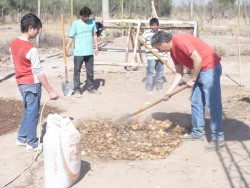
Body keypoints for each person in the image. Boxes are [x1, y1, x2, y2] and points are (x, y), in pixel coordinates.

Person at [151, 30, 224, 151]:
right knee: (196, 102)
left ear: (163, 42)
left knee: (213, 104)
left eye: (158, 47)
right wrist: (169, 91)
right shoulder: (173, 52)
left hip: (210, 68)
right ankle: (198, 133)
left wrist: (193, 79)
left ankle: (218, 138)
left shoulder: (180, 40)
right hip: (200, 70)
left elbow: (197, 59)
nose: (158, 50)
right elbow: (179, 72)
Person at [9, 13, 59, 151]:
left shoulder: (12, 44)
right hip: (32, 84)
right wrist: (51, 91)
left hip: (21, 83)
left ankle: (21, 138)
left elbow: (13, 62)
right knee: (33, 114)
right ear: (31, 28)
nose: (38, 33)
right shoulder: (31, 49)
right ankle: (31, 142)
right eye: (37, 30)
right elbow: (39, 72)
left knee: (28, 111)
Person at [66, 6, 99, 96]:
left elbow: (95, 35)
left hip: (89, 52)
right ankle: (77, 89)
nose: (87, 18)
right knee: (77, 70)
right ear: (81, 15)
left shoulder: (92, 22)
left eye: (88, 16)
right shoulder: (75, 24)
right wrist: (66, 48)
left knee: (90, 71)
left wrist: (97, 47)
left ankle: (90, 87)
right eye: (85, 16)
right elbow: (71, 37)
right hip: (79, 52)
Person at [139, 18, 168, 95]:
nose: (153, 27)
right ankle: (148, 88)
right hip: (150, 56)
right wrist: (141, 42)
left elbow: (165, 46)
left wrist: (165, 58)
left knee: (160, 73)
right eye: (152, 25)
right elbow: (142, 43)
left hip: (160, 56)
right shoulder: (146, 33)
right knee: (150, 72)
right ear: (150, 26)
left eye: (155, 25)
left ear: (158, 25)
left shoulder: (162, 34)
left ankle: (159, 87)